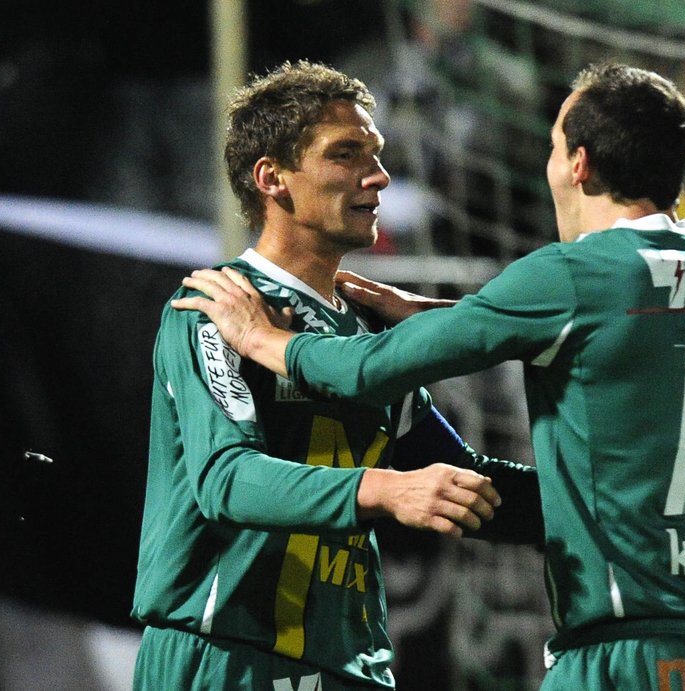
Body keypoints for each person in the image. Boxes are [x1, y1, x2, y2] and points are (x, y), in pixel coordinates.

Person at [174, 61, 685, 690]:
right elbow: (611, 329)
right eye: (347, 154)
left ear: (578, 164)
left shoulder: (573, 275)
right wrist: (455, 324)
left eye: (553, 147)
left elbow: (367, 371)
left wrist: (264, 339)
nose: (378, 176)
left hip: (630, 643)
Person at [131, 60, 542, 691]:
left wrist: (603, 506)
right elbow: (224, 479)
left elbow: (460, 480)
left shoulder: (366, 331)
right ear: (272, 178)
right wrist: (387, 489)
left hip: (347, 663)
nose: (378, 176)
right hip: (229, 656)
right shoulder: (218, 307)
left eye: (375, 155)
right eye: (345, 155)